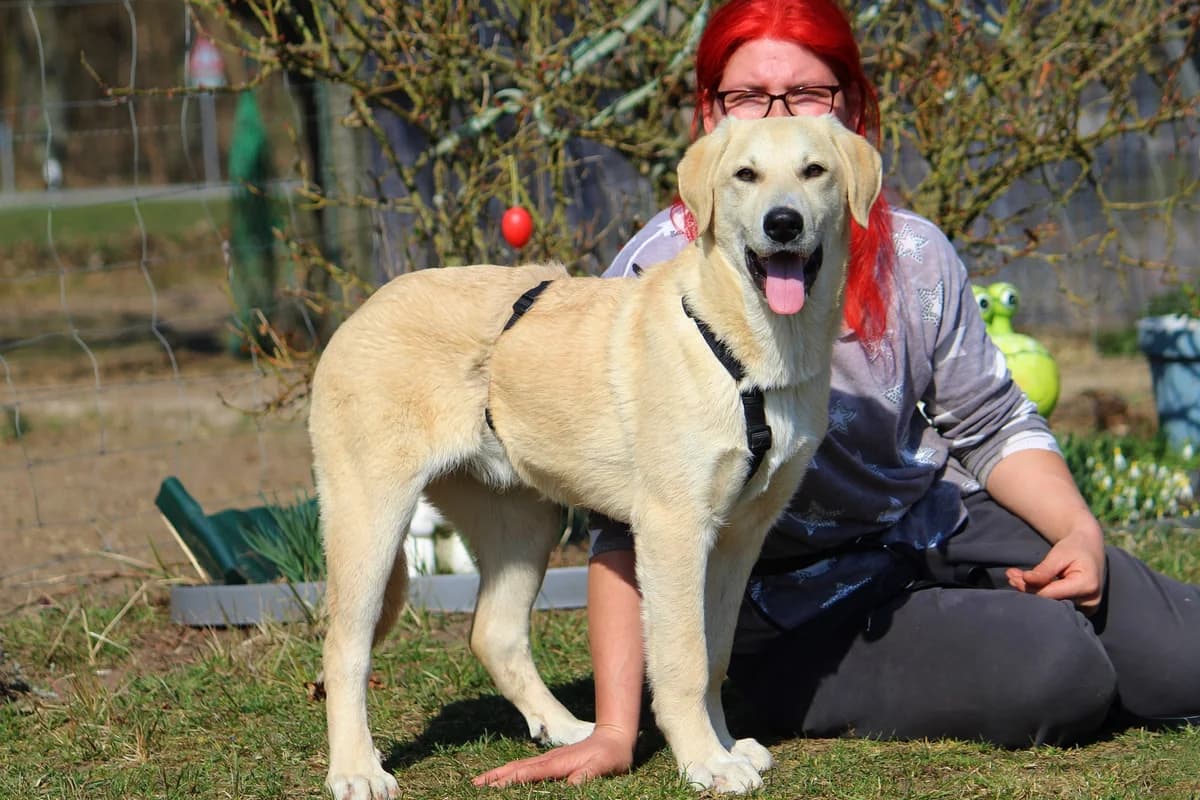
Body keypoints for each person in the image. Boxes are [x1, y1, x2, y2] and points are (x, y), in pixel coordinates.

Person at [475, 0, 1200, 787]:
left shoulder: (917, 254)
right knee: (1060, 671)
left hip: (937, 527)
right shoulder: (657, 275)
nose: (779, 118)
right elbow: (630, 515)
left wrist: (1079, 532)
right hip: (800, 606)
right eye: (749, 97)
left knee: (1182, 659)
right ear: (711, 115)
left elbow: (991, 422)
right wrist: (617, 727)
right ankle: (848, 676)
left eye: (807, 94)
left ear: (849, 109)